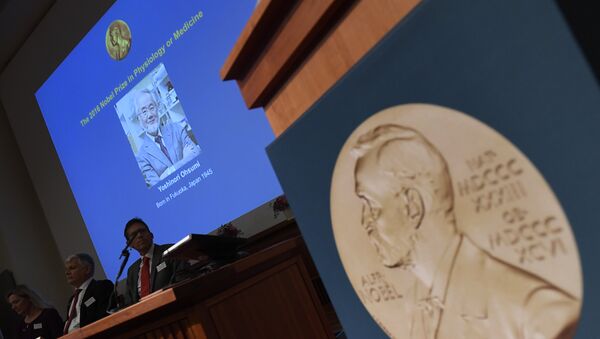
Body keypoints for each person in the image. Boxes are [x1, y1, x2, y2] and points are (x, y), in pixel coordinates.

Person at [351, 124, 580, 338]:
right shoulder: (410, 308)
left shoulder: (535, 313)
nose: (365, 222)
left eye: (370, 204)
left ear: (413, 206)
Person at [133, 89, 200, 187]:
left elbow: (196, 153)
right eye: (144, 111)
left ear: (157, 108)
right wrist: (184, 161)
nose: (150, 115)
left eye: (152, 108)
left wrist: (167, 173)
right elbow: (158, 186)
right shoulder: (142, 157)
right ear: (139, 119)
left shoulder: (176, 128)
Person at [124, 217, 188, 305]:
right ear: (129, 244)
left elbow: (183, 280)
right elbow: (129, 303)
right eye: (134, 235)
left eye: (142, 231)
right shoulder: (132, 271)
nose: (139, 235)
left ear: (151, 234)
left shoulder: (170, 251)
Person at [63, 253, 114, 334]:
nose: (67, 272)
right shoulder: (71, 300)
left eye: (72, 268)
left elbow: (103, 316)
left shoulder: (102, 287)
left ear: (87, 269)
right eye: (66, 269)